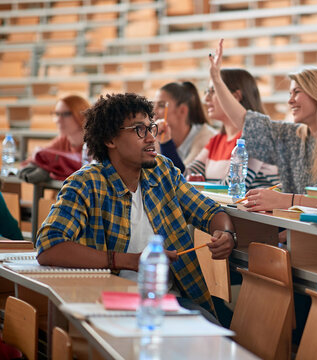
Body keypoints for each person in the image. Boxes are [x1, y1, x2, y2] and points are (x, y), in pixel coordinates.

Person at [36, 93, 237, 318]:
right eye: (139, 130)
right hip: (106, 303)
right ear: (110, 140)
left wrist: (225, 233)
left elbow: (210, 212)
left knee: (211, 334)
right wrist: (127, 261)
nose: (151, 137)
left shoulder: (163, 172)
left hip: (168, 301)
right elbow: (49, 247)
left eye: (151, 128)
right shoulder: (86, 183)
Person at [208, 40, 317, 211]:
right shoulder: (293, 135)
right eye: (290, 94)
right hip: (292, 228)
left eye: (297, 92)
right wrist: (216, 78)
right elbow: (246, 121)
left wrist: (285, 200)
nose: (290, 100)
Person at [185, 50, 279, 189]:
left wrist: (198, 185)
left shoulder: (257, 135)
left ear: (235, 97)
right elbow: (185, 176)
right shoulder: (216, 140)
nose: (206, 99)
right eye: (207, 92)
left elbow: (233, 188)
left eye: (213, 91)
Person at [19, 94, 91, 183]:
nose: (58, 120)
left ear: (81, 114)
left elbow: (85, 172)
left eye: (66, 114)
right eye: (57, 114)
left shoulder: (94, 142)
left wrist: (48, 169)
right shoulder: (63, 140)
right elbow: (35, 159)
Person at [154, 81, 218, 172]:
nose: (154, 111)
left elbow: (181, 177)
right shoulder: (155, 137)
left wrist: (165, 144)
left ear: (182, 110)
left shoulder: (207, 138)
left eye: (161, 105)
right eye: (153, 105)